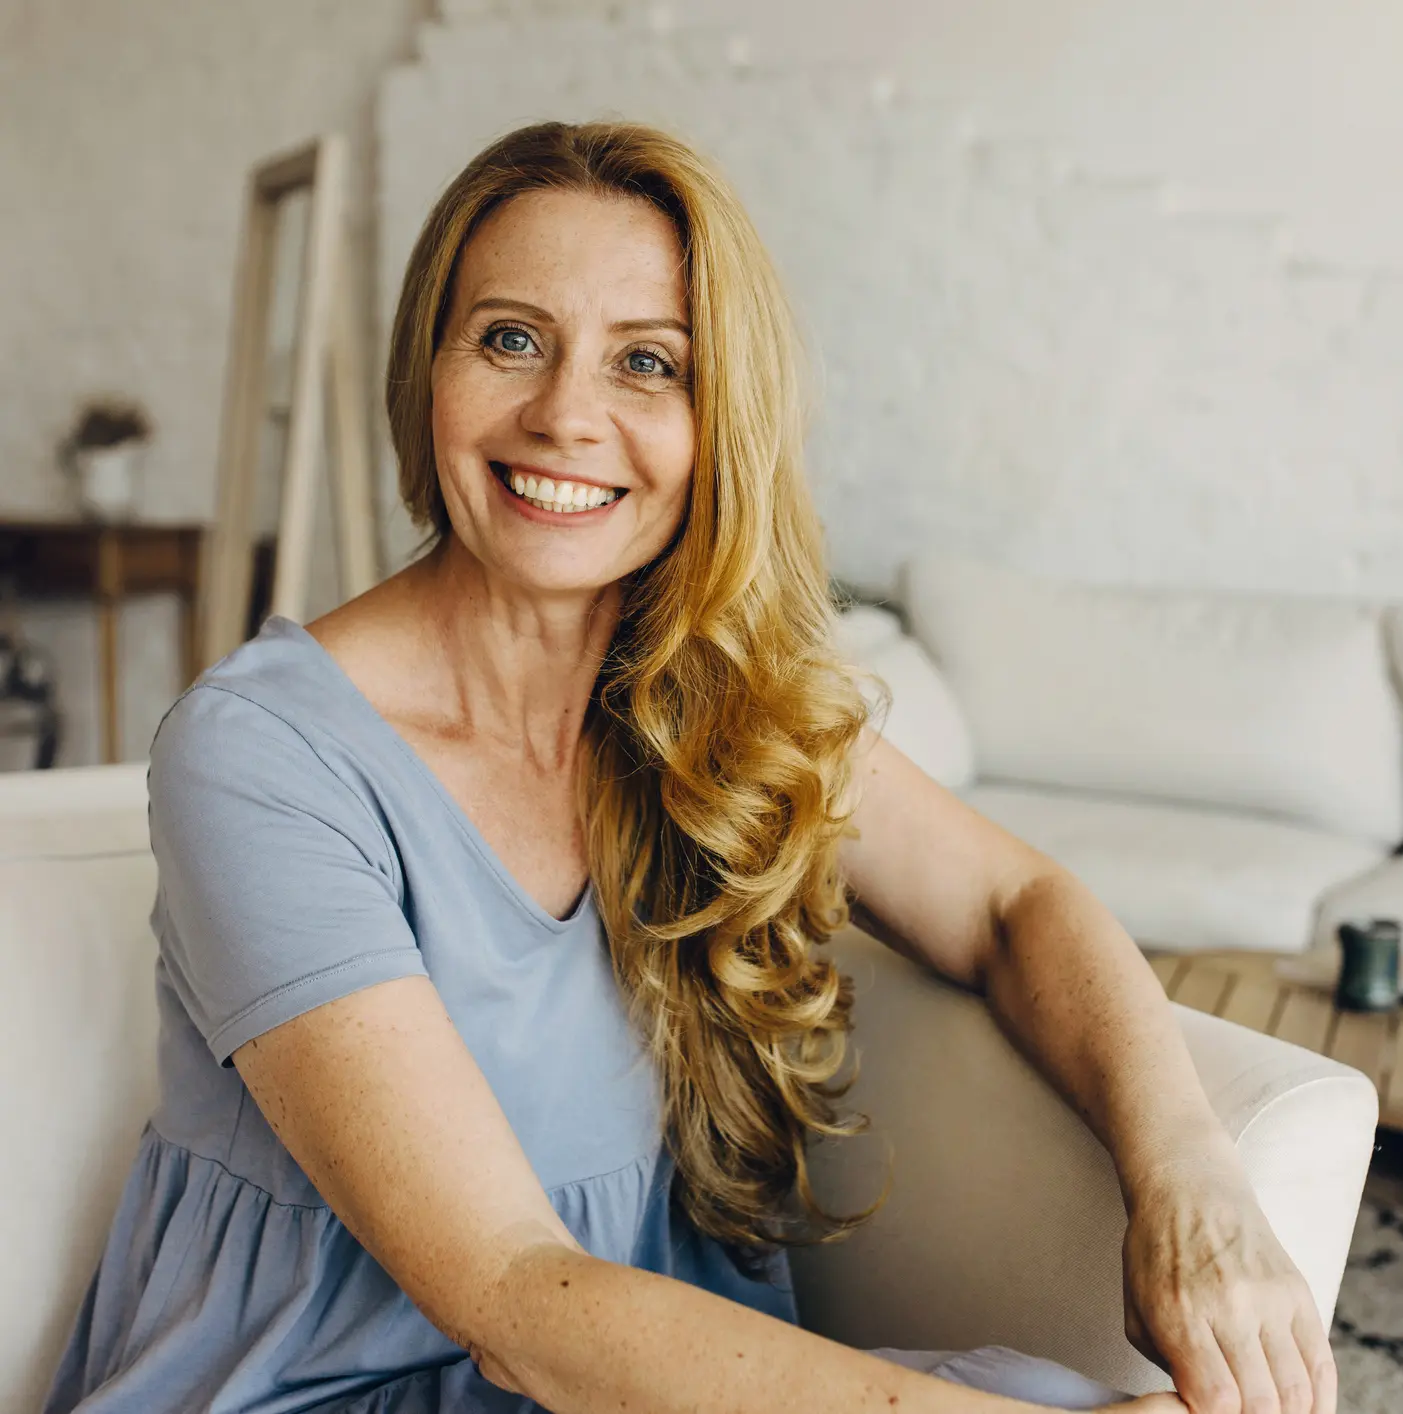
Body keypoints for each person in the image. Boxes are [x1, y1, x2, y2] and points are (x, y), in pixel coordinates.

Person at [43, 119, 1333, 1414]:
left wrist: (1189, 1174)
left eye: (646, 363)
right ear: (425, 366)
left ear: (720, 419)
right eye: (507, 338)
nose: (564, 416)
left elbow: (1013, 908)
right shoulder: (262, 752)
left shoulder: (711, 701)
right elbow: (508, 1292)